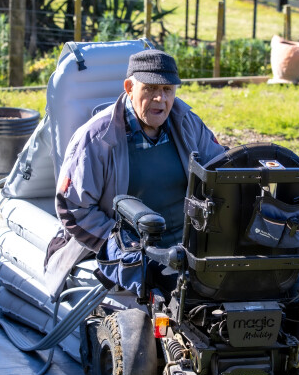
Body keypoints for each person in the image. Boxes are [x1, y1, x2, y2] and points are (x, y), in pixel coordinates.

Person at [45, 48, 224, 297]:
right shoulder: (97, 138)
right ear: (129, 88)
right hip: (132, 250)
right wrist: (124, 247)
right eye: (150, 89)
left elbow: (222, 171)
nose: (160, 98)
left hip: (187, 248)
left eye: (167, 89)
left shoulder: (187, 124)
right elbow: (73, 208)